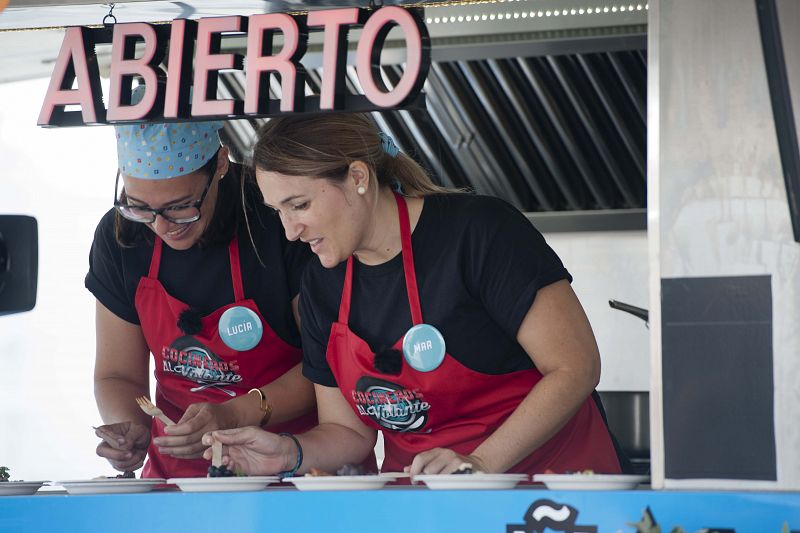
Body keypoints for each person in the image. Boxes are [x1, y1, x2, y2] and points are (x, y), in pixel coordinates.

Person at [202, 113, 625, 478]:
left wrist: (479, 464)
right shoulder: (322, 285)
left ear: (358, 177)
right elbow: (348, 433)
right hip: (430, 504)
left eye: (300, 205)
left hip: (551, 491)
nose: (290, 231)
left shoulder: (480, 234)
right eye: (278, 212)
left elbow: (575, 367)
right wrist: (288, 453)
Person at [87, 101, 317, 478]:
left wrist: (235, 413)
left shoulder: (277, 220)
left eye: (181, 207)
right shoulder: (120, 237)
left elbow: (326, 367)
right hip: (179, 477)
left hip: (293, 468)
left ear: (221, 164)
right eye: (140, 206)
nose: (161, 227)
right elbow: (116, 374)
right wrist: (131, 429)